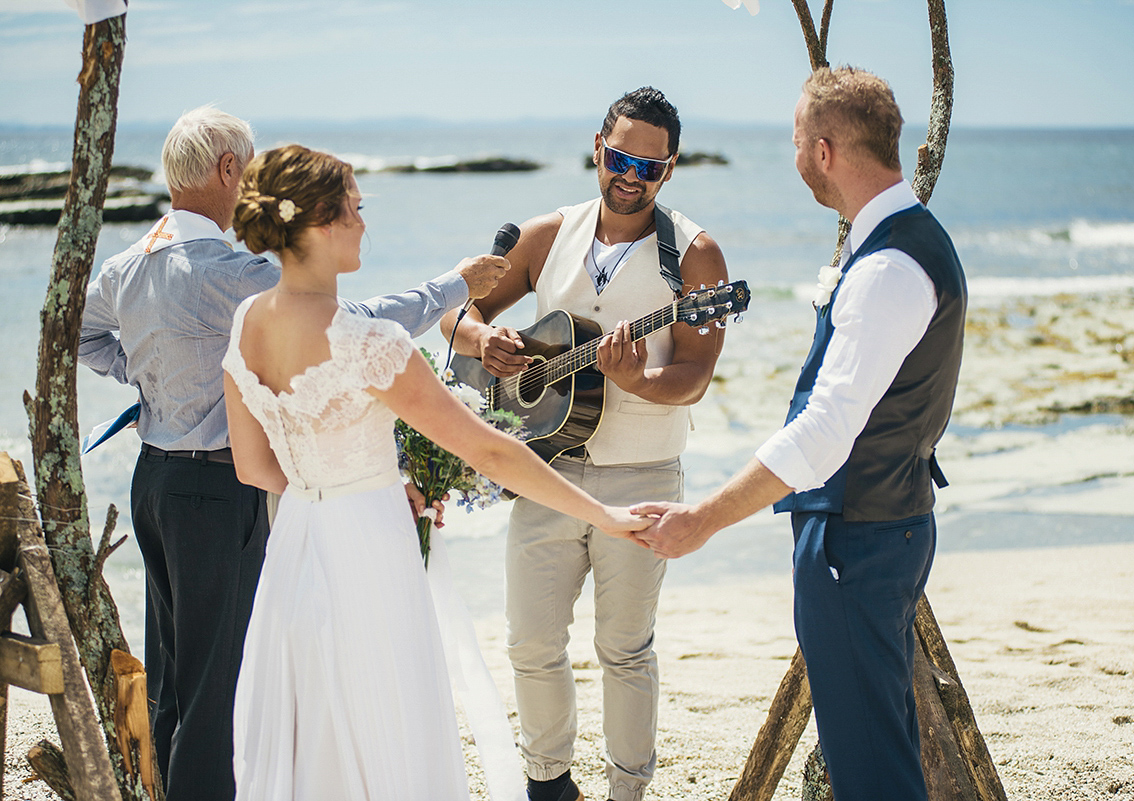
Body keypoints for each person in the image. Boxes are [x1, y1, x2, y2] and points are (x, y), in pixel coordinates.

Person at [77, 106, 508, 801]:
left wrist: (149, 374)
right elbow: (354, 328)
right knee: (218, 687)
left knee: (174, 676)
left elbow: (83, 336)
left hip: (152, 482)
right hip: (216, 493)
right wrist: (454, 286)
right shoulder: (227, 272)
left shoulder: (128, 264)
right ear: (228, 171)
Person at [221, 143, 648, 799]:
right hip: (368, 547)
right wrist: (607, 515)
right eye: (357, 209)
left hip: (296, 542)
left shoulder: (246, 323)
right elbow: (492, 449)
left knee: (314, 726)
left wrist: (333, 486)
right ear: (322, 223)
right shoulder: (369, 342)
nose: (365, 222)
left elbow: (253, 466)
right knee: (385, 717)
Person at [631, 67, 967, 801]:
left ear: (822, 152)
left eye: (792, 142)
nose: (791, 157)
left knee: (870, 766)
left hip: (858, 537)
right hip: (884, 524)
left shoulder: (888, 267)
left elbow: (825, 434)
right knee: (879, 745)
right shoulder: (904, 241)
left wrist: (704, 519)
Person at [440, 86, 729, 801]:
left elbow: (693, 377)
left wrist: (641, 379)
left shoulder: (694, 255)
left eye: (650, 167)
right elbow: (453, 309)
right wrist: (489, 340)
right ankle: (549, 785)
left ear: (671, 170)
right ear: (598, 148)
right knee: (530, 642)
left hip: (643, 474)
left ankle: (627, 791)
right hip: (545, 466)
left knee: (624, 648)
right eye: (621, 157)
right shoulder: (548, 234)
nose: (631, 176)